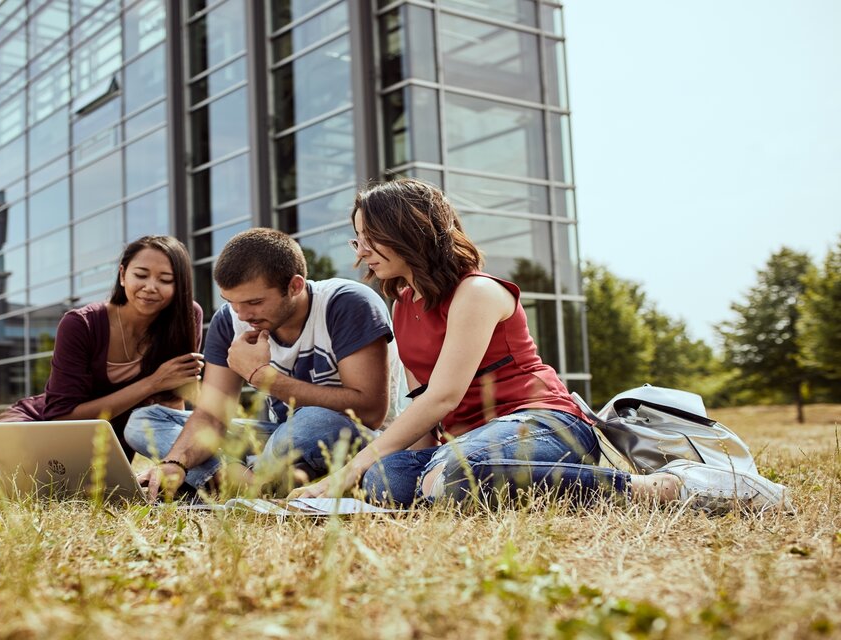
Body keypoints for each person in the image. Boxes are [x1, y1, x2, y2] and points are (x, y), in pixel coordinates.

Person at [291, 179, 790, 514]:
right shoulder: (402, 303)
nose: (358, 252)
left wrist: (350, 469)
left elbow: (444, 396)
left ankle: (672, 488)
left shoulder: (476, 292)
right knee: (390, 482)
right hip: (473, 441)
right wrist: (389, 469)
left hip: (543, 422)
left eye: (366, 239)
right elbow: (424, 405)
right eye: (356, 240)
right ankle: (511, 478)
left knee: (448, 476)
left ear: (406, 232)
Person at [127, 228, 405, 500]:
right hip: (281, 441)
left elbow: (370, 412)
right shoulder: (230, 319)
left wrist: (263, 378)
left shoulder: (346, 303)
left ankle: (232, 477)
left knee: (311, 421)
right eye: (231, 302)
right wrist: (176, 462)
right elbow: (212, 415)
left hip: (356, 439)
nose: (243, 315)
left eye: (254, 302)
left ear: (294, 286)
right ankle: (244, 480)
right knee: (144, 421)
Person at [0, 235, 204, 492]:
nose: (150, 287)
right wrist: (152, 383)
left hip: (107, 442)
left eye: (165, 279)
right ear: (123, 275)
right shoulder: (81, 323)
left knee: (39, 489)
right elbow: (60, 416)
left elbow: (172, 403)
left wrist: (170, 461)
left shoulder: (186, 317)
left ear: (179, 284)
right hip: (43, 425)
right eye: (140, 275)